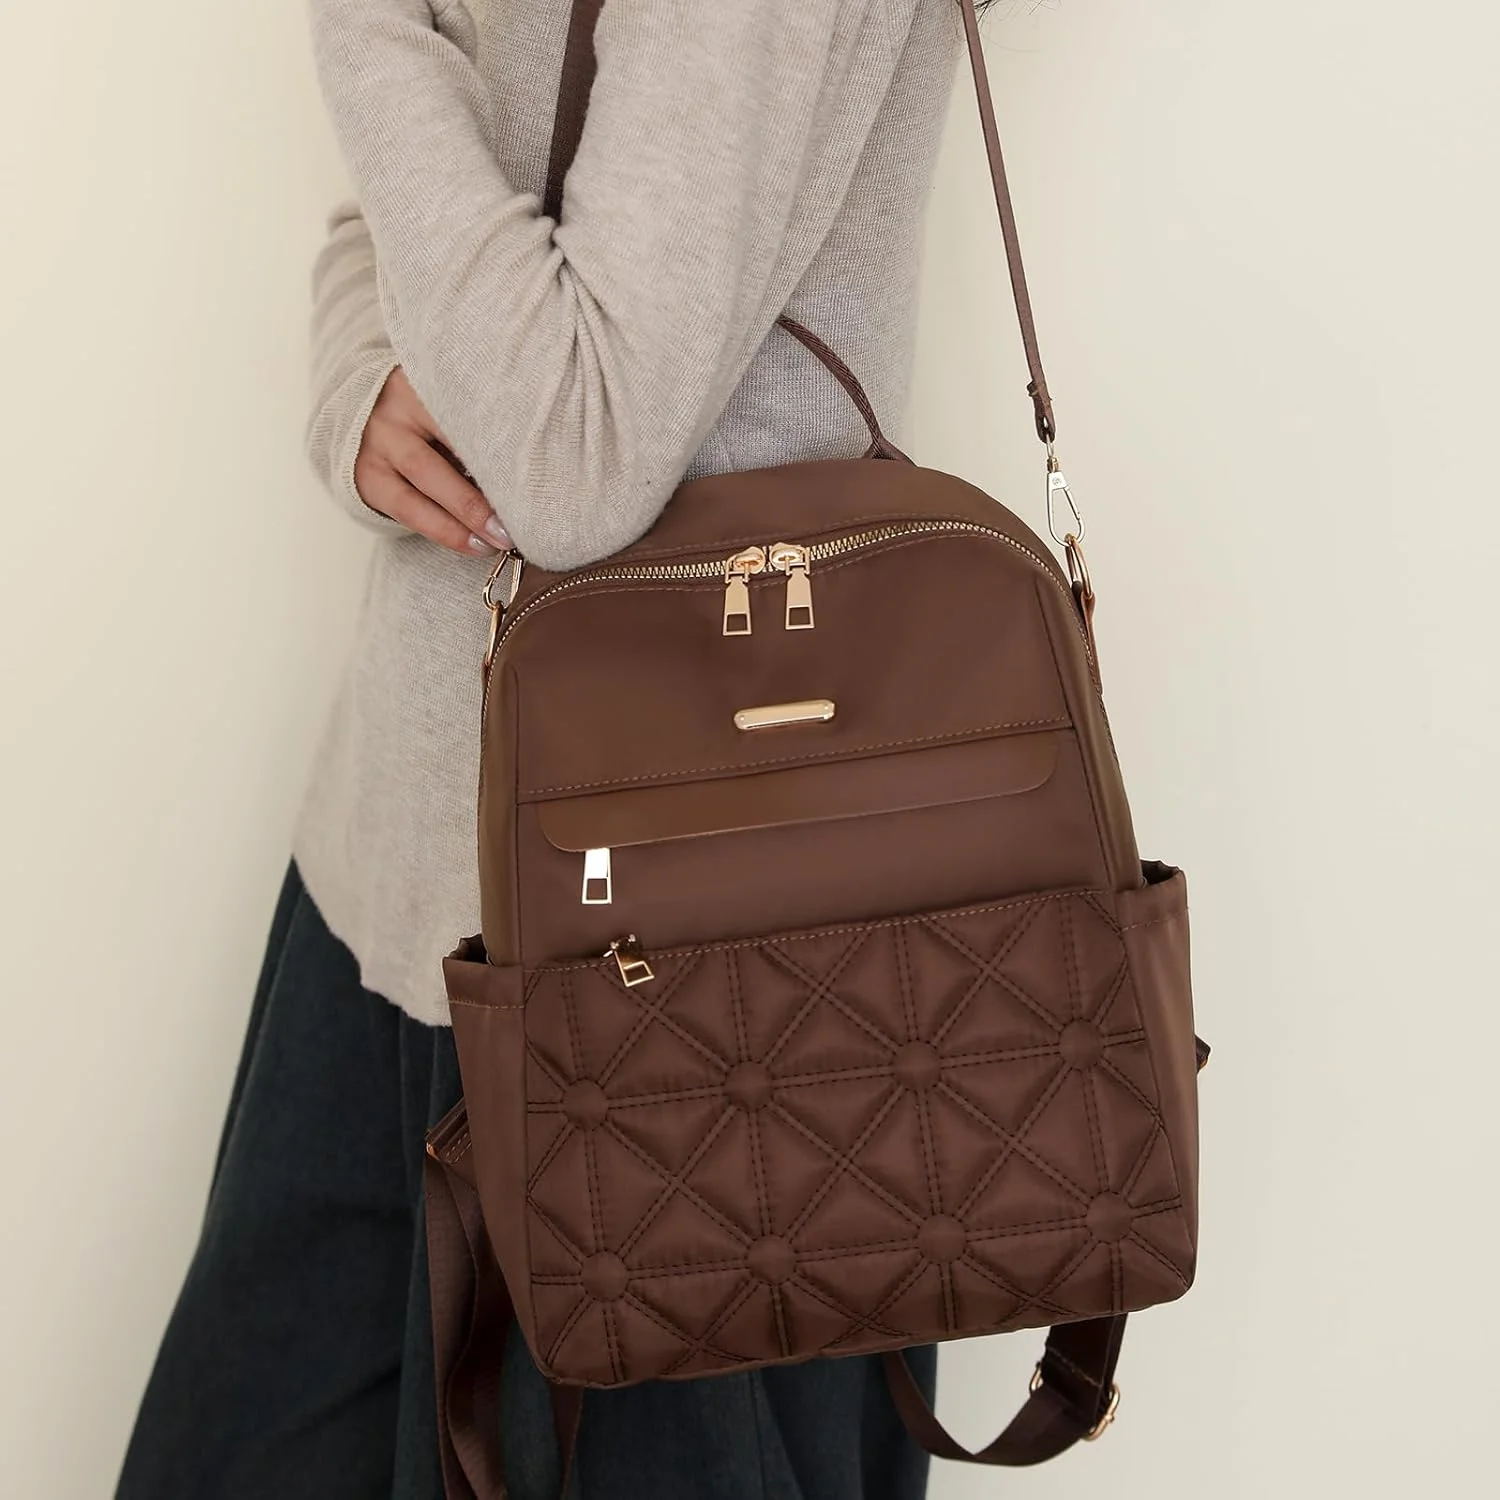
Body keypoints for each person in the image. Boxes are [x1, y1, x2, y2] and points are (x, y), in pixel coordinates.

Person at [117, 1, 966, 1495]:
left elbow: (576, 456)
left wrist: (365, 23)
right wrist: (362, 392)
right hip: (394, 881)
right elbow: (418, 217)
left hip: (667, 986)